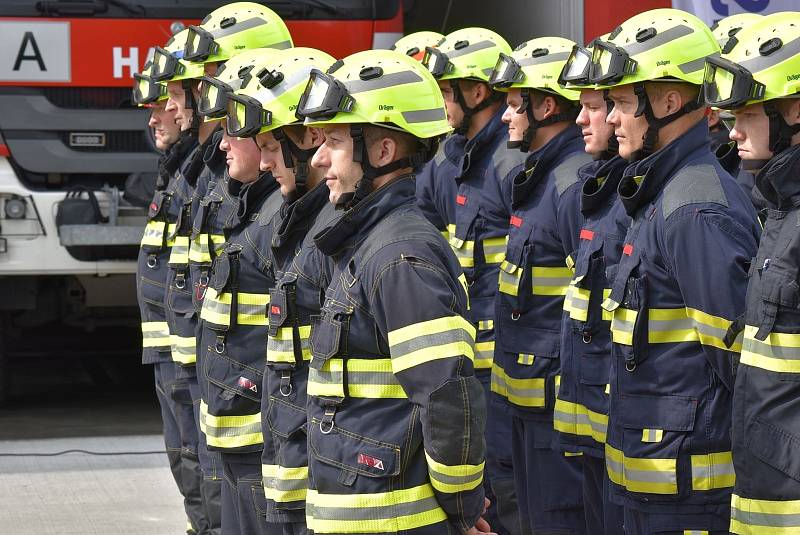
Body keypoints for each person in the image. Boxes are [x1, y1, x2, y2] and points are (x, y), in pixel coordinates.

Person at [296, 48, 491, 535]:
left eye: (335, 143)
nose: (319, 159)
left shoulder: (401, 256)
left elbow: (447, 396)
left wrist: (462, 512)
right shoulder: (364, 243)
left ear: (382, 152)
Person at [588, 8, 760, 533]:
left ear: (667, 101)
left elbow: (740, 368)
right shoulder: (664, 194)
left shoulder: (694, 210)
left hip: (688, 495)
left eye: (619, 103)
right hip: (653, 481)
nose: (611, 119)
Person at [224, 46, 336, 535]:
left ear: (308, 138)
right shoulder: (299, 223)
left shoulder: (332, 237)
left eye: (271, 148)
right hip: (286, 459)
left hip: (319, 470)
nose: (266, 163)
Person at [419, 27, 525, 535]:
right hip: (471, 363)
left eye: (445, 90)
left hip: (503, 366)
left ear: (477, 92)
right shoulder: (452, 160)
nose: (439, 102)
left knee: (506, 496)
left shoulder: (510, 164)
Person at [488, 36, 592, 534]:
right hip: (527, 409)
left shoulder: (570, 184)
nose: (506, 117)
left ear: (546, 104)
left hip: (556, 418)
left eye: (514, 105)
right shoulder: (541, 177)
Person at [703, 12, 800, 533]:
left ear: (795, 111)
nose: (733, 128)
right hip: (765, 498)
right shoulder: (782, 211)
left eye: (748, 113)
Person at [135, 33, 211, 535]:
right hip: (176, 352)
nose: (162, 112)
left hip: (202, 358)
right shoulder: (185, 170)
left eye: (171, 97)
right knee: (191, 467)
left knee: (210, 475)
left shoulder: (215, 175)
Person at [551, 37, 627, 535]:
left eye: (598, 106)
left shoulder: (630, 200)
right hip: (597, 429)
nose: (586, 119)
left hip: (635, 439)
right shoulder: (597, 190)